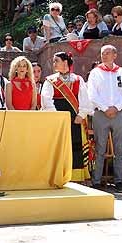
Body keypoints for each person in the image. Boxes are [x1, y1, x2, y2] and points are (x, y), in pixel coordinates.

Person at [40, 51, 94, 182]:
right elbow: (46, 99)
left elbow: (84, 99)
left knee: (75, 144)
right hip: (58, 119)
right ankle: (58, 174)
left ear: (65, 62)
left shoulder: (78, 79)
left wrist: (81, 115)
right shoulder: (50, 80)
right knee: (59, 145)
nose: (54, 63)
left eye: (56, 61)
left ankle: (76, 176)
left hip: (75, 118)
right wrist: (57, 116)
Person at [88, 45, 122, 190]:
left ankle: (119, 180)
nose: (104, 56)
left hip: (119, 114)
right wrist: (105, 108)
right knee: (99, 147)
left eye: (107, 53)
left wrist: (116, 107)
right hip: (101, 114)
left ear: (115, 55)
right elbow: (92, 94)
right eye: (102, 53)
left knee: (119, 149)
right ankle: (96, 180)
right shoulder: (95, 72)